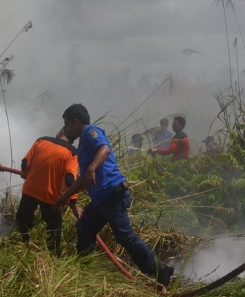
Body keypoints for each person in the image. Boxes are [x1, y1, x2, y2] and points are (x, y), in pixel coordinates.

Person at [53, 103, 174, 287]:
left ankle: (160, 270)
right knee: (84, 228)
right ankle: (84, 271)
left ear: (76, 122)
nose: (67, 128)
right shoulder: (84, 145)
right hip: (101, 199)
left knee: (125, 237)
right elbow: (82, 179)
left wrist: (93, 168)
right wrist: (65, 197)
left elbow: (105, 148)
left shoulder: (90, 132)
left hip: (112, 194)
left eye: (68, 124)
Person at [16, 128, 81, 255]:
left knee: (23, 218)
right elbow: (69, 179)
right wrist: (74, 204)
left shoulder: (41, 141)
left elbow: (25, 163)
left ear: (61, 132)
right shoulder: (72, 152)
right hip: (50, 196)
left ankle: (26, 245)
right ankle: (53, 255)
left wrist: (25, 174)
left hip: (30, 190)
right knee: (53, 227)